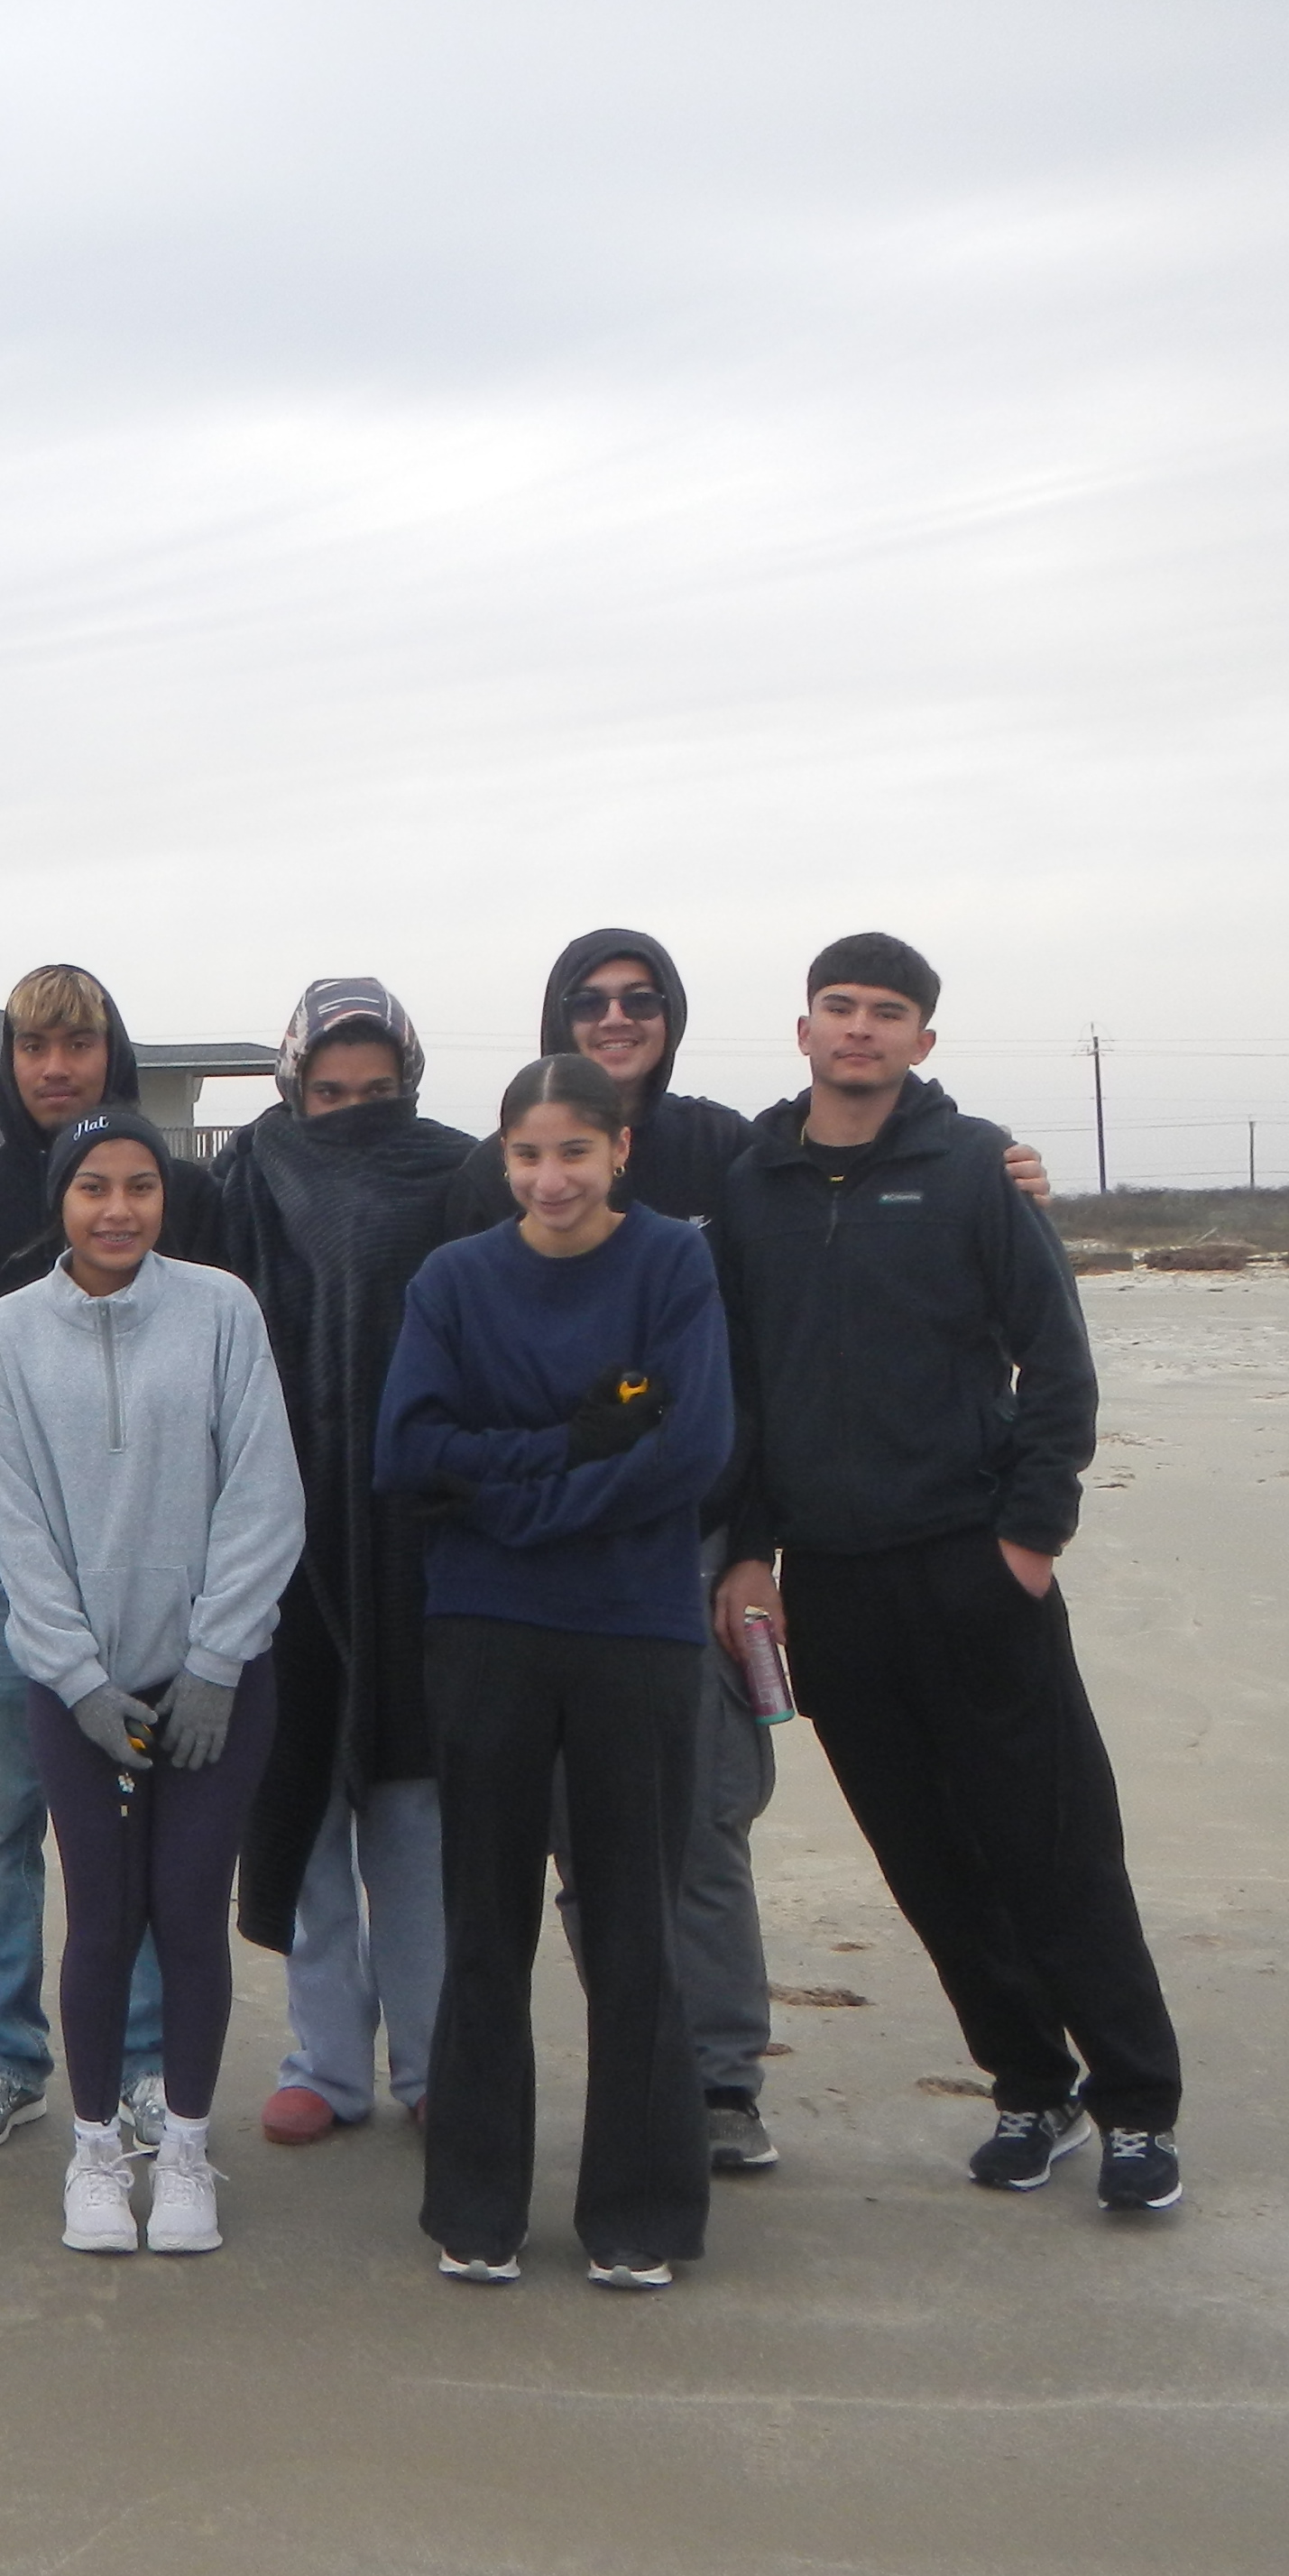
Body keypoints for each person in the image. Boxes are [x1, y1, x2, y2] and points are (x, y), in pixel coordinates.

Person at [447, 930, 1053, 2176]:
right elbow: (463, 1358)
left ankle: (721, 2076)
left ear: (672, 1017)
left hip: (700, 1533)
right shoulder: (486, 1173)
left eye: (641, 1000)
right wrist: (556, 1461)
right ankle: (636, 2063)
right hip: (546, 1549)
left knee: (703, 1819)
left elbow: (824, 1240)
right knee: (575, 1831)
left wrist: (1006, 1169)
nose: (617, 1019)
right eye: (590, 1002)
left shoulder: (727, 1148)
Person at [711, 934, 1183, 2212]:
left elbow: (1059, 1366)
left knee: (1056, 1847)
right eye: (839, 1008)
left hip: (975, 1569)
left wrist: (1028, 1545)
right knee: (925, 1861)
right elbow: (740, 1395)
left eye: (889, 1014)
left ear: (923, 1042)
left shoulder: (975, 1167)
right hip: (834, 1590)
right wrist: (752, 1551)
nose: (860, 1030)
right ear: (802, 1028)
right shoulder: (752, 1184)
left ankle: (1139, 2107)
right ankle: (1031, 2090)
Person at [377, 1053, 734, 2292]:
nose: (551, 1179)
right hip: (484, 1626)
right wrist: (569, 1451)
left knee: (635, 1922)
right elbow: (410, 1453)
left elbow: (690, 1443)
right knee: (486, 1921)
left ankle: (639, 2213)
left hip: (636, 1628)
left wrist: (512, 1492)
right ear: (503, 1157)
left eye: (574, 1153)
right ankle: (477, 2208)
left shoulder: (673, 1265)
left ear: (617, 1151)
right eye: (528, 1155)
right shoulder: (454, 1280)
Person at [0, 964, 221, 2154]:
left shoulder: (178, 1195)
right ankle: (2, 2056)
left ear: (110, 1053)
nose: (56, 1067)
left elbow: (227, 1364)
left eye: (77, 1045)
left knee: (123, 1825)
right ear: (10, 1061)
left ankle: (134, 2067)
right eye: (34, 1047)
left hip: (146, 1575)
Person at [0, 1109, 301, 2258]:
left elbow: (264, 1493)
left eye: (142, 1187)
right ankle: (98, 2150)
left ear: (168, 1198)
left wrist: (216, 1660)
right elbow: (18, 1526)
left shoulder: (219, 1311)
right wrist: (78, 1677)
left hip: (217, 1681)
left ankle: (191, 2149)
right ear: (60, 1199)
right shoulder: (9, 1335)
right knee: (102, 1921)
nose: (119, 1209)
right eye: (94, 1187)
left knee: (191, 1913)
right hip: (81, 1689)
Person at [212, 980, 473, 2149]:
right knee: (305, 1795)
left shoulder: (463, 1173)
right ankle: (324, 2060)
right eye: (331, 1090)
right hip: (283, 1531)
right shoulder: (247, 1179)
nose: (354, 1111)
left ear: (408, 1081)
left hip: (420, 1535)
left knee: (413, 1809)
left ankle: (430, 2061)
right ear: (294, 1085)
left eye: (375, 1091)